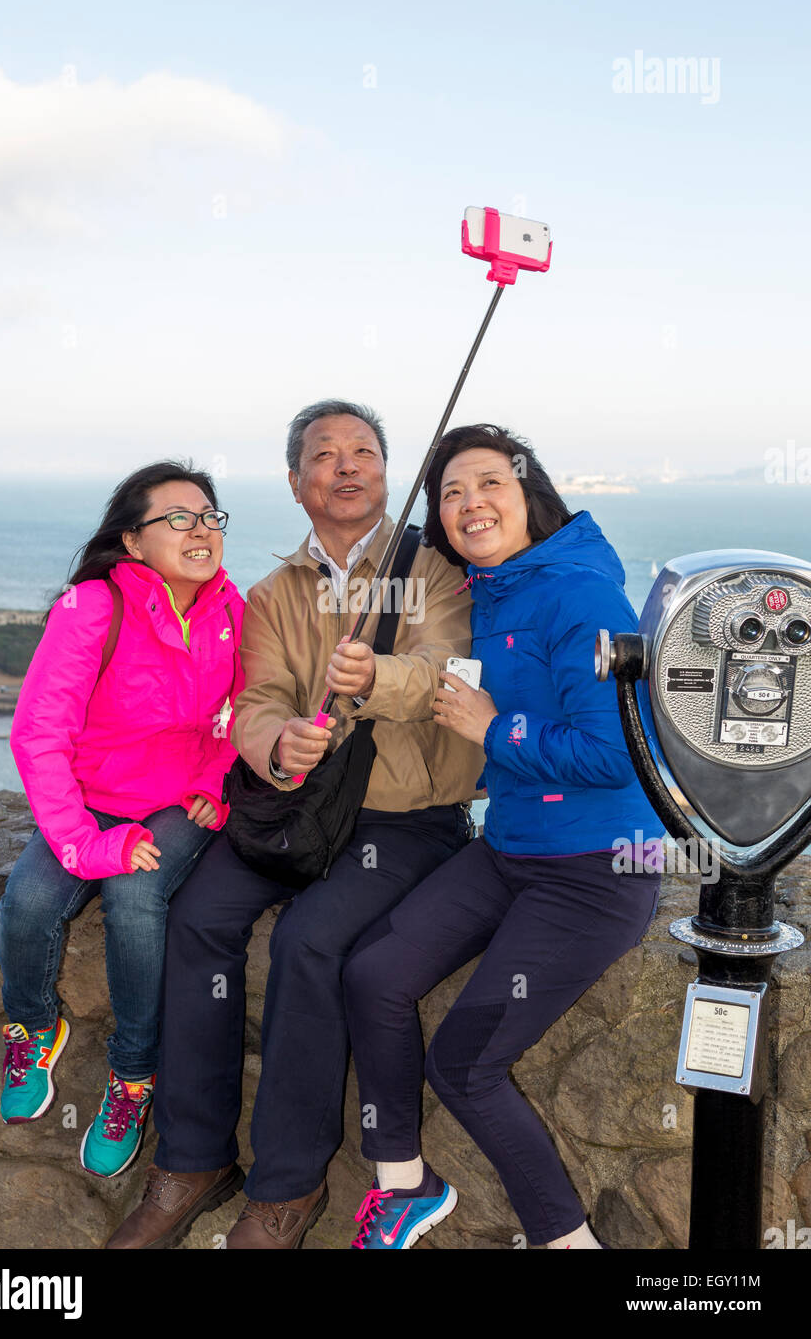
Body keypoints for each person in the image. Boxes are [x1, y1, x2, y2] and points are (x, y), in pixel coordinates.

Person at [106, 399, 484, 1249]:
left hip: (407, 818)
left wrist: (374, 675)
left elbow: (443, 672)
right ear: (296, 481)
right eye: (325, 455)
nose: (347, 466)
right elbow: (259, 699)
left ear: (390, 474)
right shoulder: (275, 593)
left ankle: (286, 1187)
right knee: (197, 916)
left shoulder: (435, 569)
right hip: (300, 810)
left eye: (365, 452)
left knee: (309, 942)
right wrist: (277, 739)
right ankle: (193, 1158)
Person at [342, 423, 663, 1250]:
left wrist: (494, 731)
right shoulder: (489, 589)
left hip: (594, 873)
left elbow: (616, 752)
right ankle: (406, 1185)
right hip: (510, 849)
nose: (468, 503)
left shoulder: (581, 595)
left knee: (464, 1064)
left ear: (531, 497)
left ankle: (567, 1243)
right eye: (450, 492)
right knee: (374, 973)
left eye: (489, 483)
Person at [0, 461, 245, 1181]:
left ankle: (133, 1078)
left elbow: (240, 716)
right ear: (133, 542)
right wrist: (81, 841)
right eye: (178, 518)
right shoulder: (93, 607)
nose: (200, 529)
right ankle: (34, 1028)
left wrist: (212, 782)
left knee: (137, 899)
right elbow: (38, 733)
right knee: (29, 901)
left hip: (179, 800)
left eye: (208, 516)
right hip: (90, 797)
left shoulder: (233, 611)